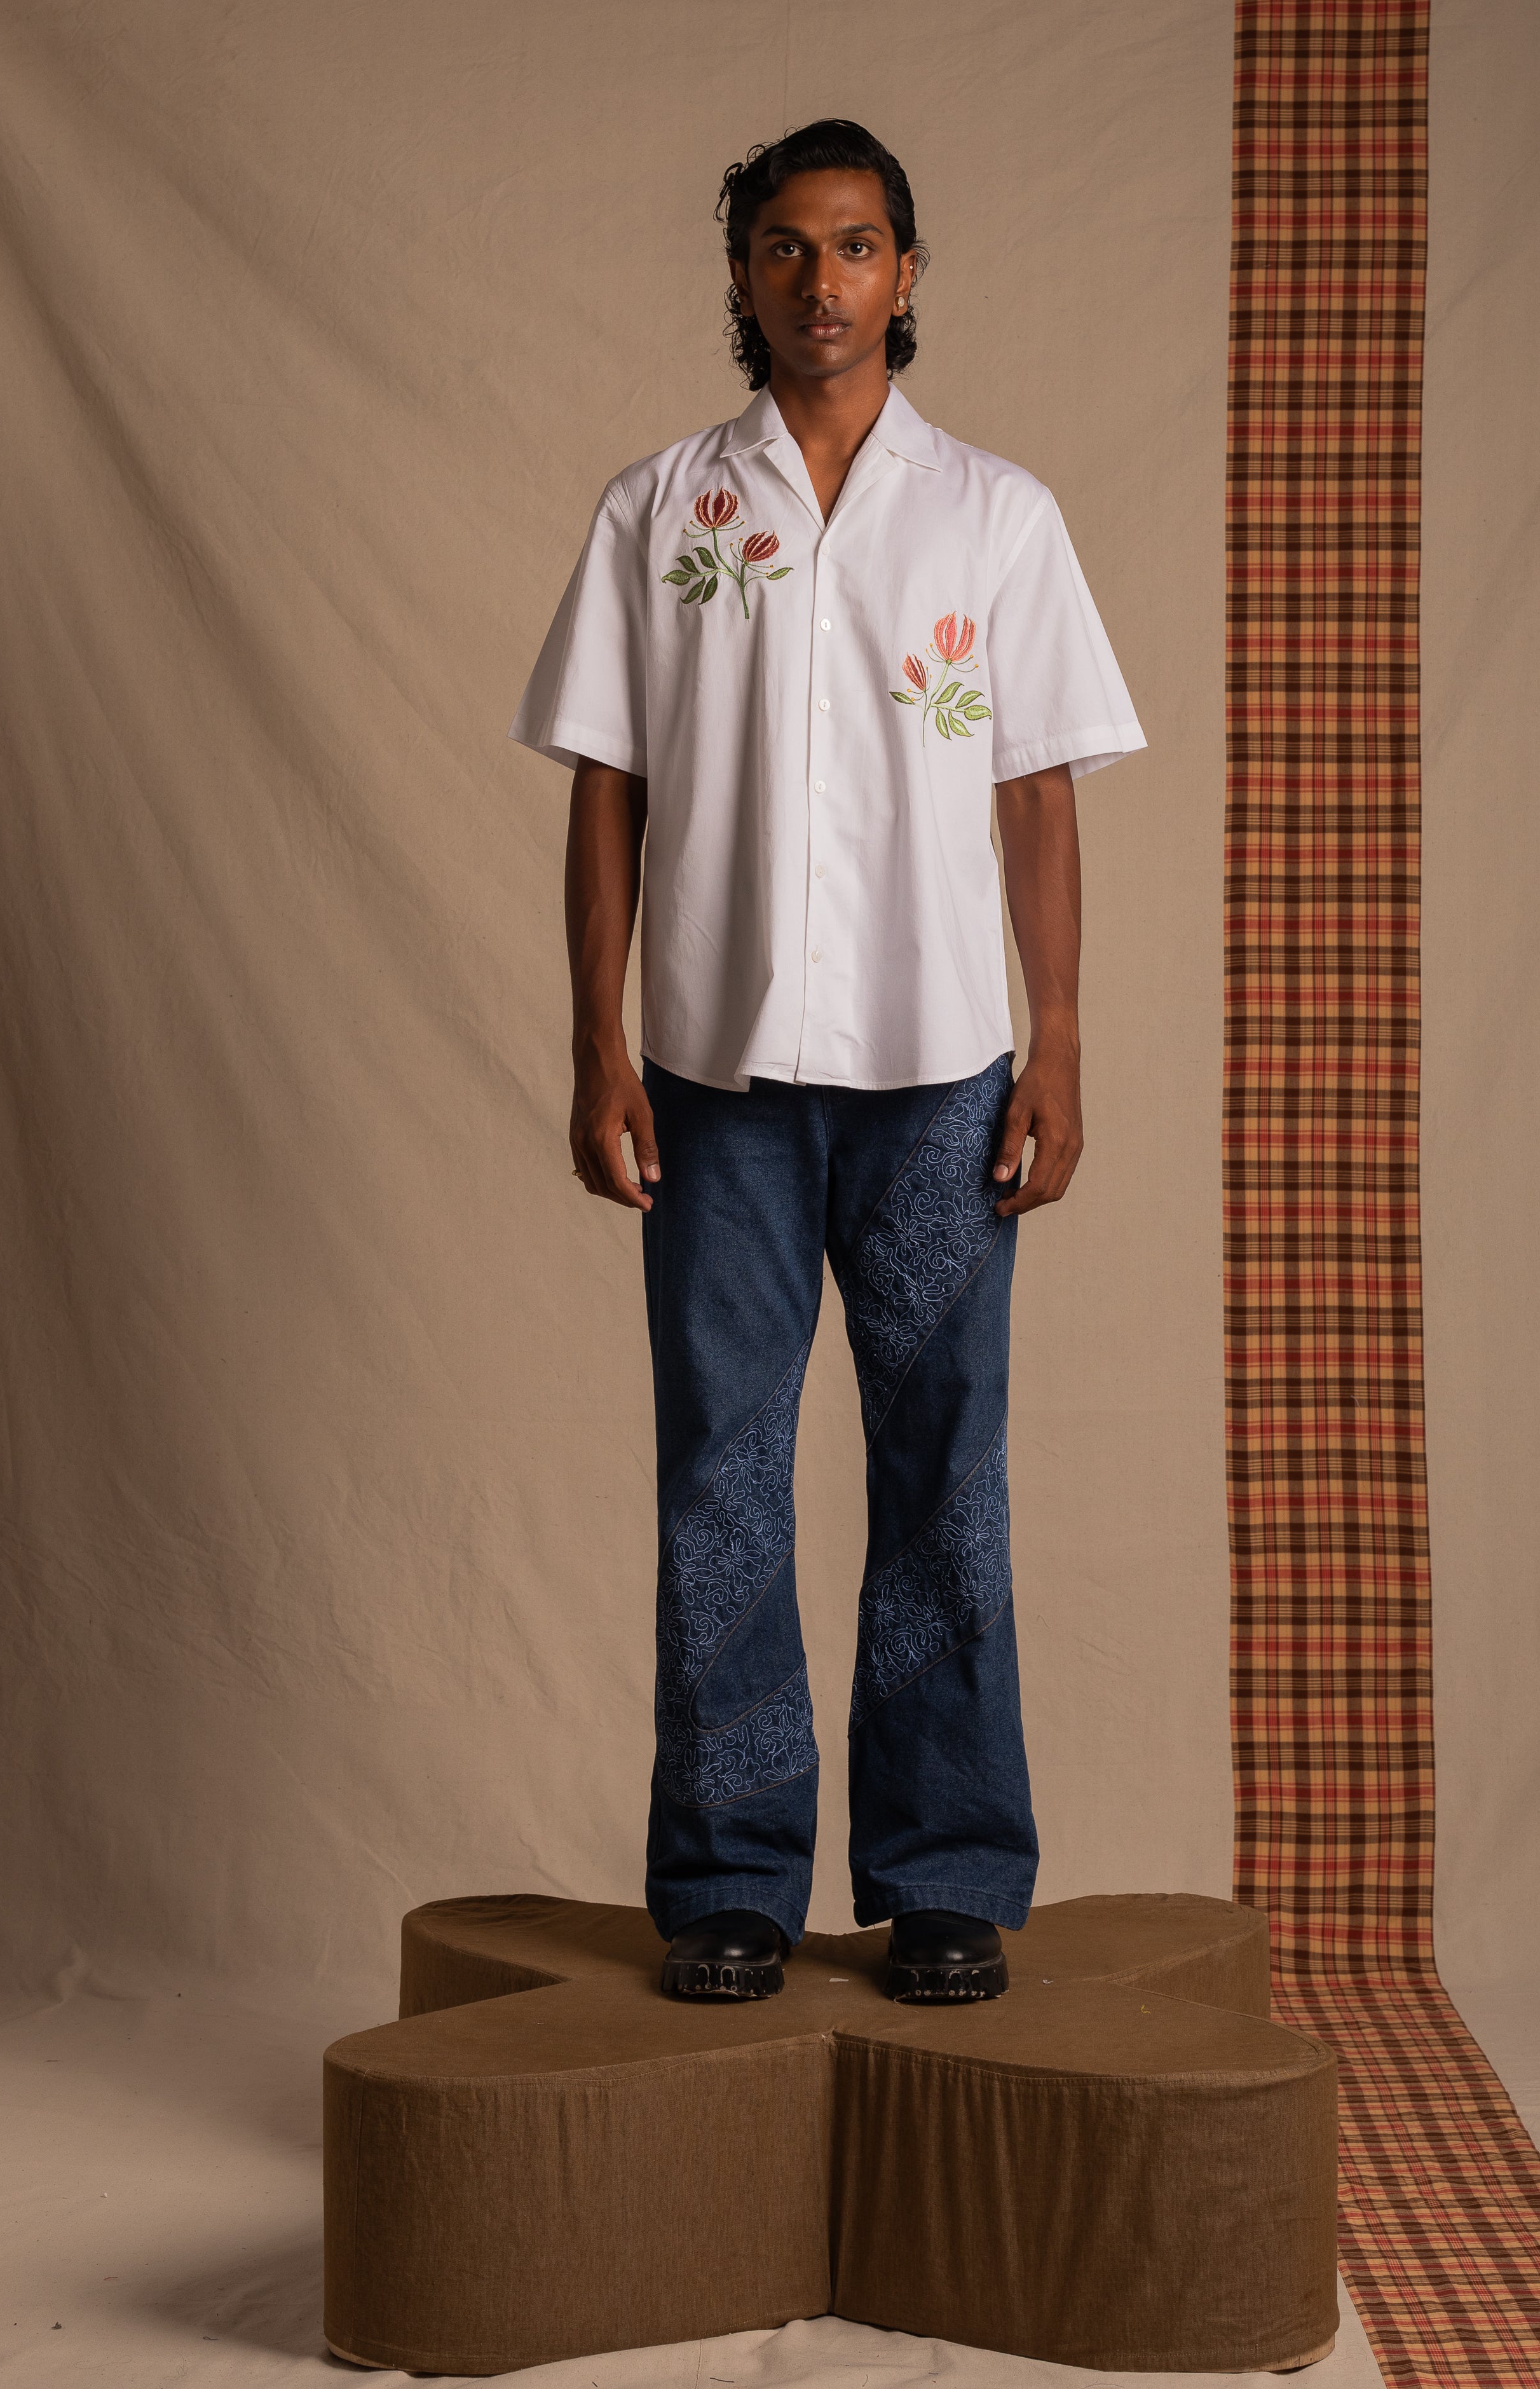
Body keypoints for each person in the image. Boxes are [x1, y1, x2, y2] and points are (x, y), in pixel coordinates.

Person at [510, 118, 1143, 2004]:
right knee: (721, 1470)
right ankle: (729, 1878)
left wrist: (1059, 1047)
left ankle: (947, 1871)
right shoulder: (660, 511)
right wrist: (598, 1047)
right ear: (742, 274)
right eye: (785, 246)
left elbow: (1037, 795)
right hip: (716, 1079)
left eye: (857, 246)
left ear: (908, 273)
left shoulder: (998, 515)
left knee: (944, 1467)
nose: (821, 281)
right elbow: (607, 790)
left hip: (944, 1076)